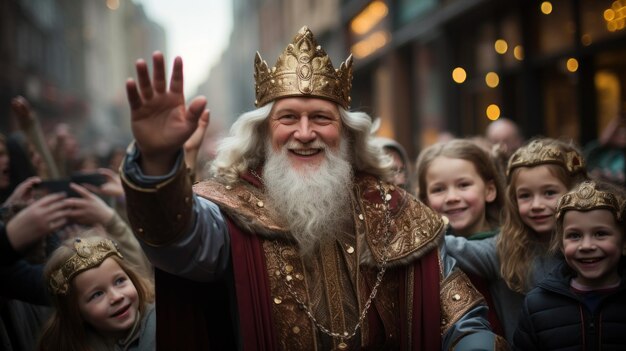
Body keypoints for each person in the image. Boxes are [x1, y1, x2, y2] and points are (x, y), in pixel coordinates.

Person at [120, 26, 504, 350]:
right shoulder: (231, 208)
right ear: (262, 133)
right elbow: (178, 244)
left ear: (347, 133)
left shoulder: (393, 210)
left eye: (320, 118)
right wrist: (157, 163)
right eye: (288, 118)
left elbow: (460, 314)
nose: (304, 134)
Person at [444, 138, 589, 342]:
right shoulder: (503, 250)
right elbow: (451, 247)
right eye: (525, 196)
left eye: (549, 193)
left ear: (576, 192)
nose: (536, 204)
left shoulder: (597, 248)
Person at [514, 180, 626, 350]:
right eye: (574, 236)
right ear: (561, 244)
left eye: (600, 234)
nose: (586, 246)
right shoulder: (537, 305)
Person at [415, 138, 505, 336]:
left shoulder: (510, 243)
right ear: (424, 200)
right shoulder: (424, 260)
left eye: (463, 185)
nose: (452, 197)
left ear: (489, 190)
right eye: (439, 189)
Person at [38, 235, 155, 351]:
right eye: (97, 294)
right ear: (75, 311)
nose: (117, 297)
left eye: (119, 281)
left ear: (131, 278)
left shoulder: (165, 325)